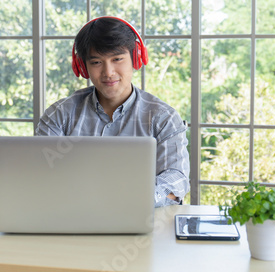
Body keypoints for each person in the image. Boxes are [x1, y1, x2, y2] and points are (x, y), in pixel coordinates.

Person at [36, 16, 190, 207]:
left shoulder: (164, 118)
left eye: (117, 59)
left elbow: (176, 179)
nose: (108, 72)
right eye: (96, 62)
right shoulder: (58, 116)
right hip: (73, 220)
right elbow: (40, 174)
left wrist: (129, 200)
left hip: (142, 224)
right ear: (83, 67)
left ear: (135, 59)